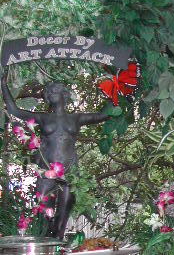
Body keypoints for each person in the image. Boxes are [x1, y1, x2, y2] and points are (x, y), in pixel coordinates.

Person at [1, 68, 109, 238]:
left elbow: (104, 115)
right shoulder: (43, 118)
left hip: (70, 172)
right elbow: (14, 110)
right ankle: (45, 249)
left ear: (64, 95)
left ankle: (58, 249)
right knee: (44, 217)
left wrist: (118, 93)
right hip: (47, 171)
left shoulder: (76, 118)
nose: (50, 95)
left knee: (62, 218)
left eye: (54, 91)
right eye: (48, 93)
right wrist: (3, 85)